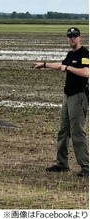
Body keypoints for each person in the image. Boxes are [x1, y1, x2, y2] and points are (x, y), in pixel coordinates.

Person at [33, 27, 89, 177]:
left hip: (79, 96)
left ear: (79, 37)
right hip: (68, 96)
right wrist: (44, 65)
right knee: (63, 131)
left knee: (77, 132)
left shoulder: (84, 53)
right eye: (70, 36)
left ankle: (86, 167)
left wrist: (69, 68)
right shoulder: (71, 54)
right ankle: (62, 163)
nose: (72, 38)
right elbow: (61, 65)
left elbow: (86, 72)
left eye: (74, 36)